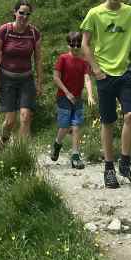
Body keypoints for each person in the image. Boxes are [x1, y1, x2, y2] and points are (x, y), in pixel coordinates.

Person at [80, 0, 131, 189]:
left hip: (125, 73)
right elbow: (85, 44)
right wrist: (96, 70)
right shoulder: (95, 14)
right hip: (104, 74)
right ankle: (109, 168)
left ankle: (125, 163)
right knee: (107, 122)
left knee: (130, 115)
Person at [0, 0, 43, 148]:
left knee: (26, 117)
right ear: (14, 13)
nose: (24, 16)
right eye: (21, 13)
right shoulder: (4, 30)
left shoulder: (34, 33)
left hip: (26, 80)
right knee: (10, 121)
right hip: (7, 79)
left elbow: (38, 59)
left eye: (28, 14)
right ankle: (3, 143)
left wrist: (39, 83)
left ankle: (21, 154)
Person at [50, 31, 95, 169]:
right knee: (64, 126)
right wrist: (67, 92)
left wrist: (90, 95)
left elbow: (87, 78)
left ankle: (75, 156)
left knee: (76, 126)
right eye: (72, 44)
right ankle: (57, 144)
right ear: (68, 44)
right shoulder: (63, 59)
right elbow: (56, 78)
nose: (75, 47)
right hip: (64, 97)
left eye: (77, 44)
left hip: (77, 99)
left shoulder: (83, 62)